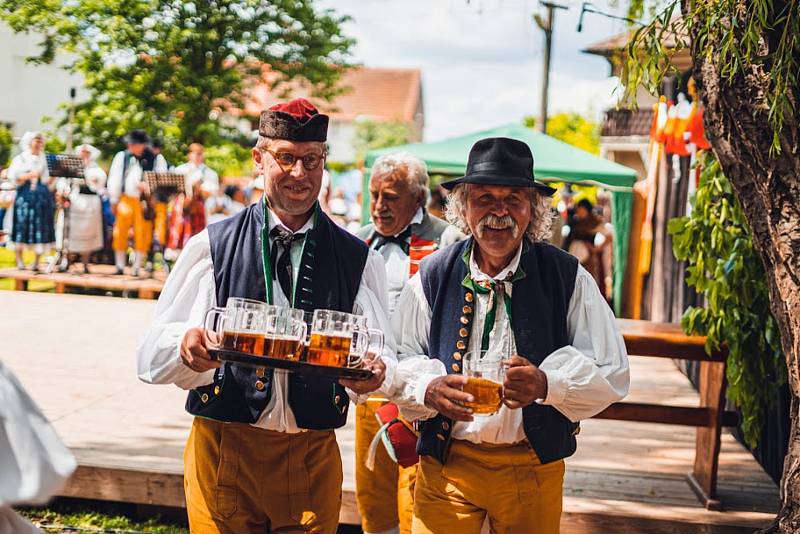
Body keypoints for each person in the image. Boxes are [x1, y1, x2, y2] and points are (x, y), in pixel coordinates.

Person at [137, 98, 397, 534]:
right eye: (286, 158)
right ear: (259, 159)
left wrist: (375, 372)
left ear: (323, 162)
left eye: (311, 160)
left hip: (311, 454)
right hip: (223, 448)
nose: (299, 173)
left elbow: (382, 355)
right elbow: (149, 356)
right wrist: (185, 346)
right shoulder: (210, 246)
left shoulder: (357, 259)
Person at [391, 137, 630, 534]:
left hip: (531, 469)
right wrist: (427, 387)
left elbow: (612, 370)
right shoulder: (434, 274)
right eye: (485, 198)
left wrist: (547, 384)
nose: (499, 211)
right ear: (464, 206)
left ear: (532, 210)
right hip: (445, 467)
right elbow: (399, 354)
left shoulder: (566, 276)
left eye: (514, 199)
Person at [354, 152, 463, 534]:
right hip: (370, 383)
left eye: (391, 197)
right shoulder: (358, 240)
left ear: (418, 199)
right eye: (374, 195)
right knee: (372, 488)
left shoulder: (447, 239)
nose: (380, 207)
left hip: (419, 386)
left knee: (414, 489)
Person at [106, 129, 167, 275]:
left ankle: (137, 266)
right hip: (125, 198)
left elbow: (162, 179)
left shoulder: (156, 159)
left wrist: (148, 186)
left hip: (144, 201)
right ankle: (120, 265)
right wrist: (114, 200)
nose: (130, 146)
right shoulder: (122, 156)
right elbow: (114, 178)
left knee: (143, 233)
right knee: (120, 231)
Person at [8, 131, 54, 271]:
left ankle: (36, 261)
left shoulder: (45, 160)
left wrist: (54, 177)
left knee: (39, 227)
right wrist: (29, 175)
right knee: (22, 225)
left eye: (41, 141)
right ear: (29, 141)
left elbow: (48, 182)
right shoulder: (20, 158)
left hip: (41, 198)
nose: (39, 143)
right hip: (25, 197)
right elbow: (13, 178)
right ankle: (19, 259)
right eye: (36, 140)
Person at [167, 143, 218, 257]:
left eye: (199, 153)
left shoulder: (210, 173)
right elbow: (172, 191)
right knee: (179, 235)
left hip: (200, 209)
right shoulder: (180, 170)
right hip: (182, 208)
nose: (197, 156)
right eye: (194, 153)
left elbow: (212, 192)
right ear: (189, 155)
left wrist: (198, 189)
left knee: (198, 238)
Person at [67, 143, 107, 273]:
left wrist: (92, 181)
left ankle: (85, 263)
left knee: (88, 234)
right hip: (76, 203)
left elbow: (99, 182)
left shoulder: (96, 169)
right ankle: (68, 262)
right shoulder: (73, 167)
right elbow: (66, 183)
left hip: (91, 204)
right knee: (71, 234)